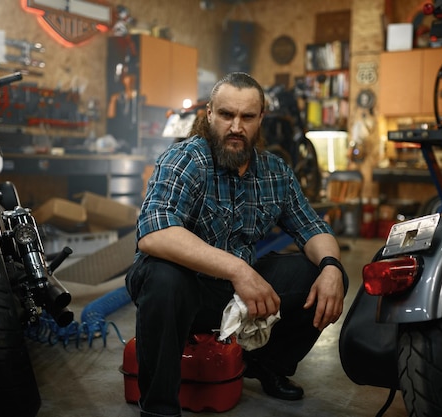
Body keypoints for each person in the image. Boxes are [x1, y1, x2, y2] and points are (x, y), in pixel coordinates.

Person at [126, 72, 348, 417]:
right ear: (210, 113)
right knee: (165, 277)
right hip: (180, 291)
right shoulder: (187, 159)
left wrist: (332, 268)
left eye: (246, 117)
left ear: (260, 119)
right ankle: (158, 408)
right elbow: (155, 233)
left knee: (320, 274)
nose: (235, 127)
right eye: (227, 115)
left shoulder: (275, 172)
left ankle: (267, 363)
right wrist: (238, 269)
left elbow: (312, 227)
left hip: (231, 293)